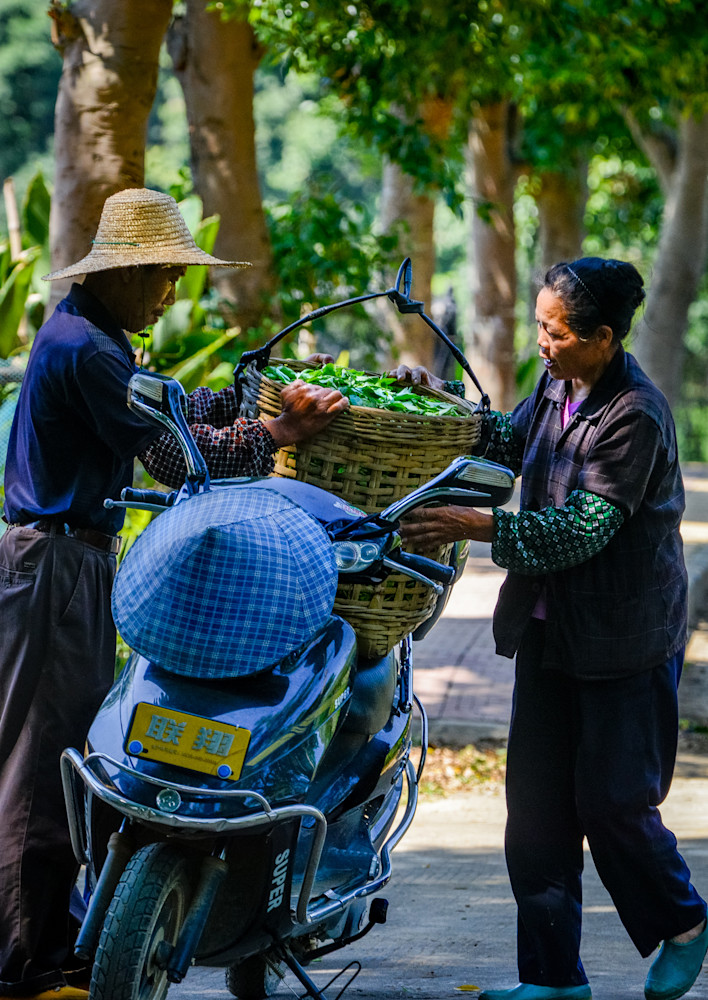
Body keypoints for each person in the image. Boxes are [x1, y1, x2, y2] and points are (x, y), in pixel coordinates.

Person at [0, 187, 348, 1000]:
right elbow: (176, 457)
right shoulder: (88, 349)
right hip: (55, 565)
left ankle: (53, 945)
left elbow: (176, 414)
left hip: (69, 562)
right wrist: (279, 435)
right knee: (40, 768)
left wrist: (247, 396)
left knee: (66, 754)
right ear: (122, 273)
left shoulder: (97, 337)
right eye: (161, 276)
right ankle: (27, 966)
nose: (170, 293)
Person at [393, 257, 708, 1000]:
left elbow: (580, 530)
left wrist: (480, 525)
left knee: (613, 803)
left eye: (556, 331)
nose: (542, 341)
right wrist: (443, 406)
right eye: (539, 325)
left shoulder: (636, 414)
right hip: (548, 631)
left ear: (603, 337)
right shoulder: (558, 383)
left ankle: (685, 923)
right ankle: (553, 980)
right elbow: (512, 442)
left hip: (624, 640)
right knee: (535, 813)